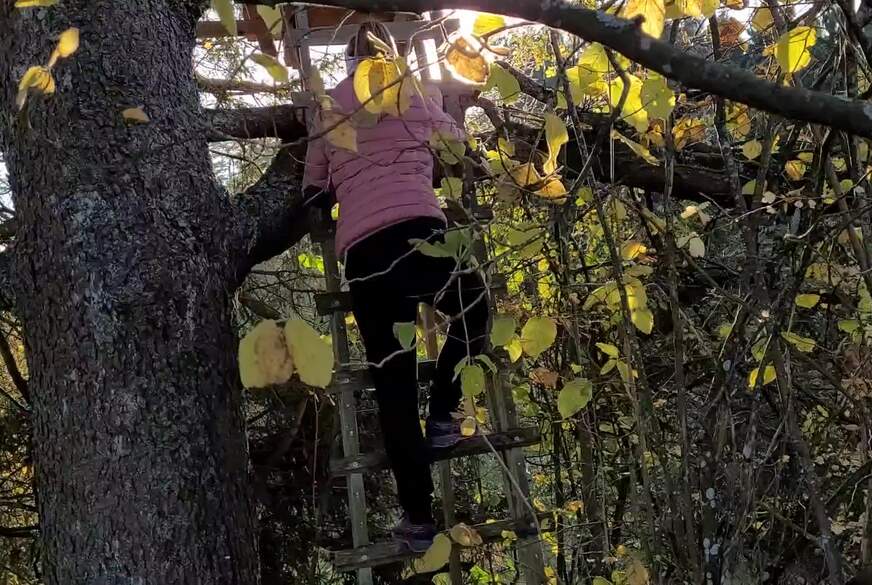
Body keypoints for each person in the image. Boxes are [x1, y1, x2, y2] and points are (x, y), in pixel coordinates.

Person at [302, 21, 489, 552]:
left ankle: (417, 518)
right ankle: (445, 414)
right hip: (419, 232)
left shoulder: (331, 105)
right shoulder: (414, 90)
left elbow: (315, 180)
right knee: (474, 309)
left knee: (393, 380)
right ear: (394, 53)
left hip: (365, 255)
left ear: (347, 61)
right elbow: (454, 145)